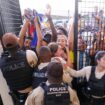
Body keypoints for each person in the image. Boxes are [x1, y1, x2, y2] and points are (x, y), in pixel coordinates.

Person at [0, 33, 38, 105]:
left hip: (17, 96)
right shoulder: (29, 54)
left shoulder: (1, 61)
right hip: (33, 92)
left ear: (4, 45)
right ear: (17, 41)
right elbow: (36, 67)